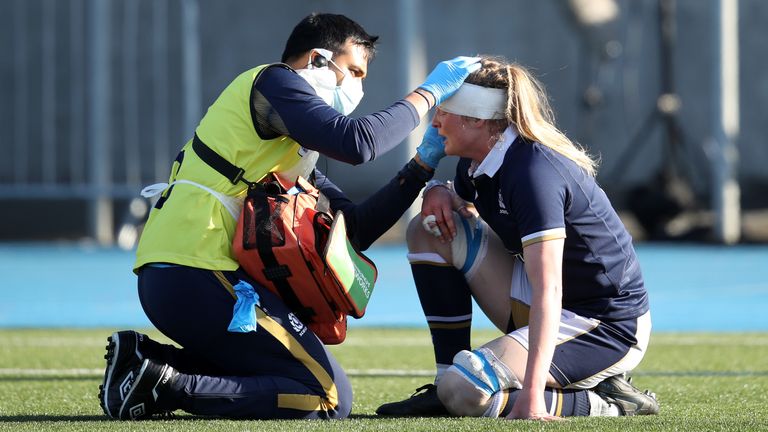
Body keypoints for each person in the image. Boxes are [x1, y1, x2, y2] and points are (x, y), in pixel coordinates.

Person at [98, 12, 480, 420]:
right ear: (317, 59)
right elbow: (358, 143)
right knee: (327, 398)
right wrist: (429, 93)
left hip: (186, 276)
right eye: (353, 71)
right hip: (197, 270)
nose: (358, 87)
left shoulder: (293, 149)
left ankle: (146, 363)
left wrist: (421, 166)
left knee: (298, 380)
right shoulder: (273, 81)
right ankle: (169, 387)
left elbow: (356, 231)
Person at [375, 56, 660, 420]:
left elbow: (549, 289)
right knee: (427, 230)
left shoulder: (533, 172)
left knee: (464, 391)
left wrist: (532, 395)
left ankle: (606, 403)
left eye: (445, 110)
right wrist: (438, 191)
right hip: (554, 306)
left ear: (477, 119)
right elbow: (464, 200)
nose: (436, 121)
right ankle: (444, 377)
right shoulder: (480, 159)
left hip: (604, 325)